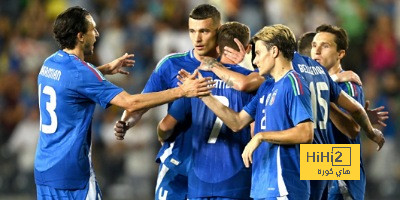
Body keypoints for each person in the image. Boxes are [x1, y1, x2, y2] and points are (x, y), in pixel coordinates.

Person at [35, 6, 213, 200]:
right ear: (80, 36)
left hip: (44, 168)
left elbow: (71, 82)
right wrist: (182, 90)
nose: (96, 34)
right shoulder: (82, 73)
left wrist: (101, 71)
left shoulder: (49, 64)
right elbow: (131, 102)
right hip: (71, 172)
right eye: (92, 29)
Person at [113, 4, 247, 200]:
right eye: (192, 31)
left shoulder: (234, 72)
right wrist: (127, 122)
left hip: (213, 173)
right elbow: (143, 104)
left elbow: (165, 127)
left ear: (219, 31)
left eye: (204, 31)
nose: (197, 38)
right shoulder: (171, 65)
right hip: (179, 168)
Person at [188, 24, 313, 199]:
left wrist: (261, 136)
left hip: (284, 184)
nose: (254, 60)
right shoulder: (267, 86)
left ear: (274, 51)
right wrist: (205, 96)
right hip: (262, 184)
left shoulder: (293, 82)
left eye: (259, 53)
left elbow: (306, 133)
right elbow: (237, 122)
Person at [158, 22, 254, 199]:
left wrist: (163, 138)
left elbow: (165, 126)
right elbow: (256, 132)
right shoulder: (253, 82)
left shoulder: (196, 80)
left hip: (199, 180)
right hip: (235, 179)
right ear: (247, 48)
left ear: (217, 48)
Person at [311, 24, 388, 200]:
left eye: (325, 46)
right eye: (315, 45)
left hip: (340, 169)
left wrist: (324, 98)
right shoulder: (309, 84)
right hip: (315, 166)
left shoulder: (349, 85)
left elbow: (352, 130)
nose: (317, 51)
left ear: (341, 54)